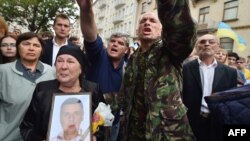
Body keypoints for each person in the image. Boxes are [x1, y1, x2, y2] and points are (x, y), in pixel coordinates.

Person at [116, 0, 196, 140]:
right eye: (143, 21)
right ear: (137, 31)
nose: (147, 23)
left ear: (163, 29)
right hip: (133, 132)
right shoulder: (133, 57)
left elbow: (181, 31)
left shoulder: (169, 52)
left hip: (165, 133)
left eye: (153, 21)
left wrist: (168, 4)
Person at [20, 45, 105, 141]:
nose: (63, 66)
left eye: (70, 61)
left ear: (81, 69)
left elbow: (103, 127)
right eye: (59, 61)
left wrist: (95, 138)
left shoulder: (93, 90)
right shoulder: (42, 89)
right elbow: (26, 127)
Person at [76, 0, 129, 140]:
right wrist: (86, 10)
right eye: (113, 41)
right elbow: (90, 35)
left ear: (126, 50)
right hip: (89, 120)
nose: (115, 44)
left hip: (113, 123)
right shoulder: (99, 54)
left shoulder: (128, 67)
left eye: (120, 43)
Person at [0, 32, 55, 141]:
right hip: (9, 137)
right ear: (18, 47)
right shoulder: (3, 71)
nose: (31, 48)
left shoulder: (51, 72)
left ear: (41, 50)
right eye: (26, 44)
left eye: (36, 45)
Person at [182, 34, 238, 141]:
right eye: (202, 42)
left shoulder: (230, 72)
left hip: (217, 122)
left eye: (211, 42)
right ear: (197, 46)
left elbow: (230, 100)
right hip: (190, 122)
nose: (206, 44)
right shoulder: (185, 69)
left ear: (217, 46)